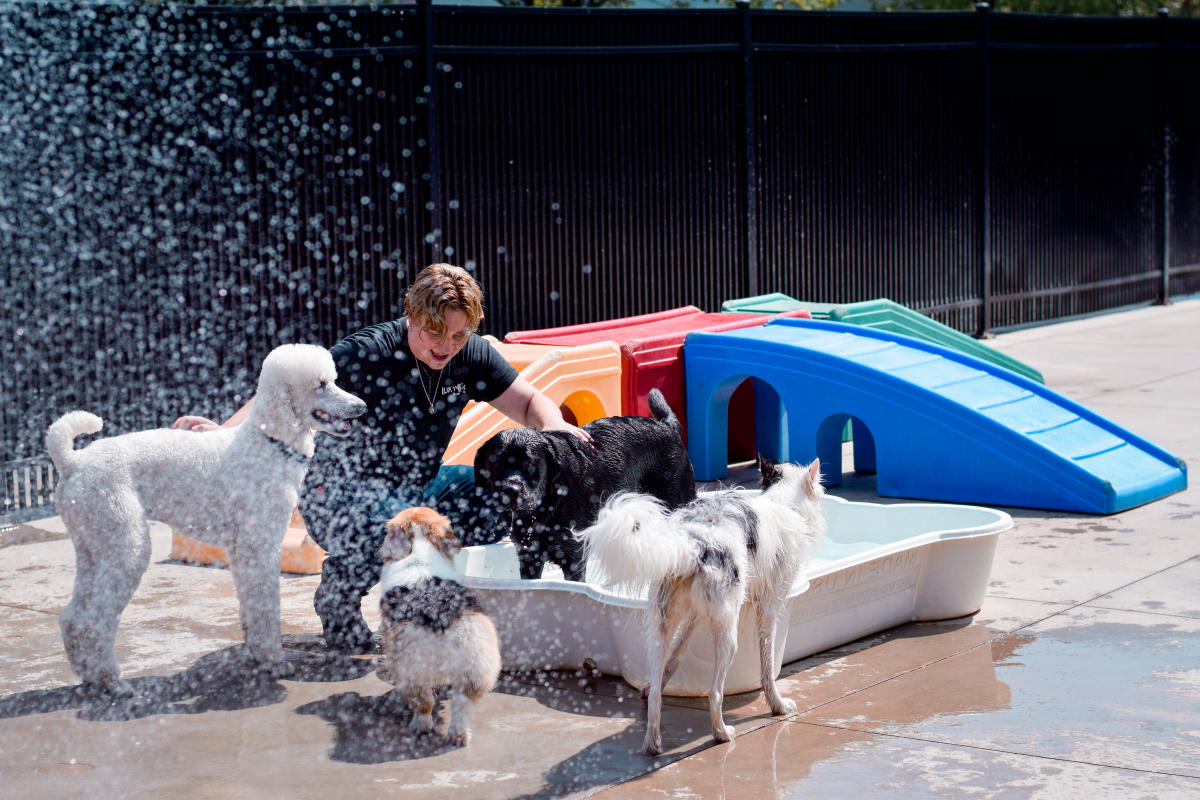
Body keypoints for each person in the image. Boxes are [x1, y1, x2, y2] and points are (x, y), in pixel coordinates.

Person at [174, 263, 589, 653]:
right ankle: (340, 593)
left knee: (501, 498)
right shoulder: (369, 352)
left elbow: (532, 401)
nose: (446, 346)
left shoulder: (470, 355)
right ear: (413, 315)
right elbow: (287, 391)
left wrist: (555, 428)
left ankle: (435, 594)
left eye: (458, 336)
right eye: (435, 332)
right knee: (399, 526)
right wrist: (224, 434)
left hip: (419, 487)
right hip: (337, 496)